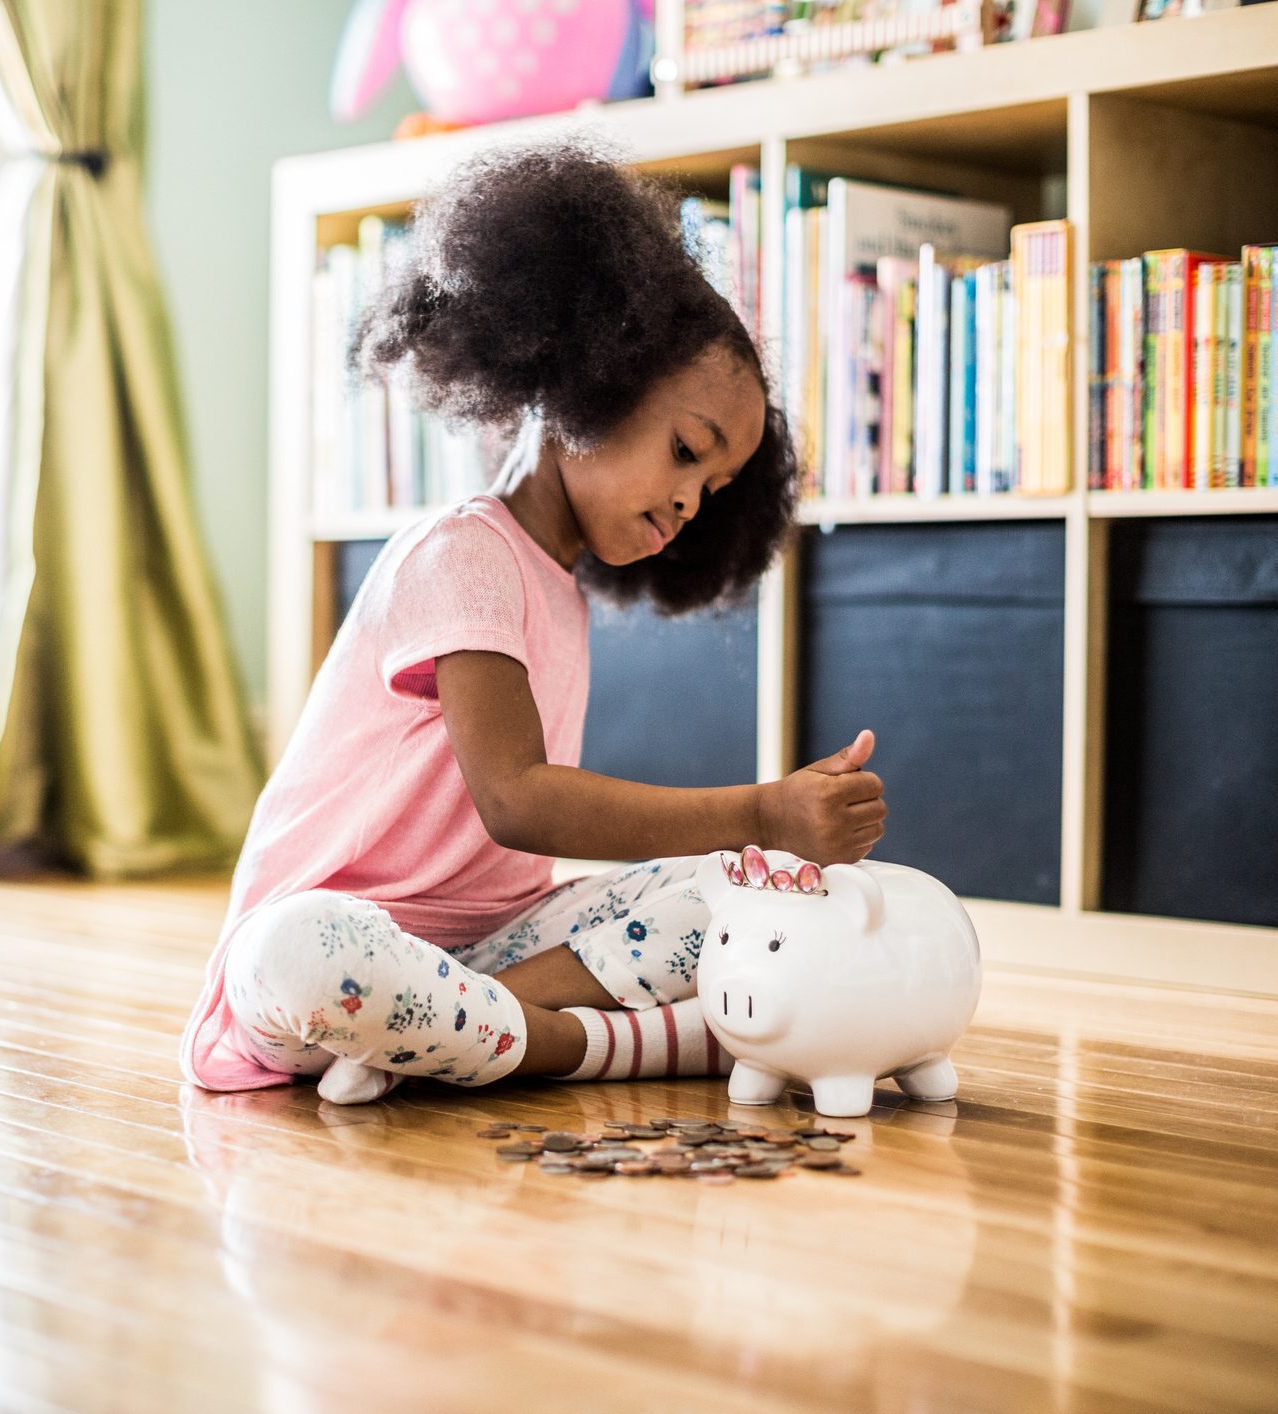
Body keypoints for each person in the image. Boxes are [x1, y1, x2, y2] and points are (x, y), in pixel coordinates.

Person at [180, 140, 885, 1103]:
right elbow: (517, 799)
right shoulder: (461, 553)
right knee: (303, 953)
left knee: (730, 888)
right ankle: (583, 1045)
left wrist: (755, 848)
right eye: (685, 450)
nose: (689, 501)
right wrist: (762, 810)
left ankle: (444, 1032)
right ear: (589, 380)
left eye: (713, 489)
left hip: (494, 950)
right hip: (337, 944)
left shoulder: (561, 586)